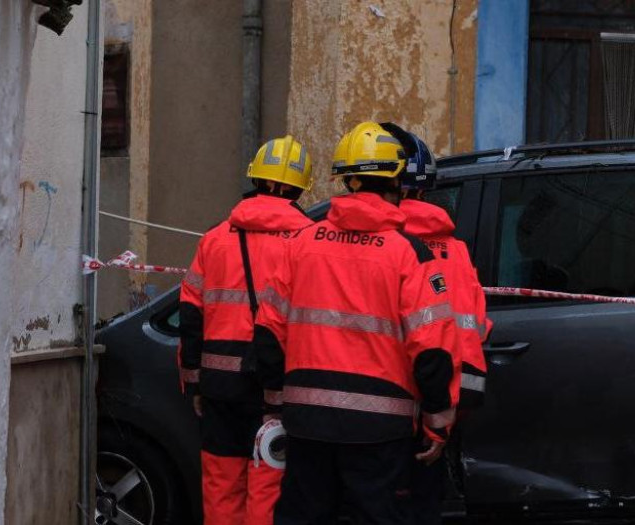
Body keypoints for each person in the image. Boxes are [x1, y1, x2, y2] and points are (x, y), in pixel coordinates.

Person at [253, 121, 460, 525]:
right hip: (379, 431)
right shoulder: (409, 255)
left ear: (347, 181)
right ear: (397, 181)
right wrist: (437, 422)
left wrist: (274, 403)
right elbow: (432, 347)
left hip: (307, 422)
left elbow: (268, 333)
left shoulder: (300, 245)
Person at [178, 135, 315, 525]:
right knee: (269, 482)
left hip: (220, 385)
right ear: (298, 186)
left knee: (221, 485)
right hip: (278, 386)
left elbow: (191, 313)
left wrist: (195, 383)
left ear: (257, 179)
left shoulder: (215, 239)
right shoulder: (307, 241)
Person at [380, 123, 490, 525]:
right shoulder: (456, 251)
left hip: (388, 404)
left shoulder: (385, 242)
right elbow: (472, 328)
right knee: (426, 505)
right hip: (446, 402)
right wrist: (444, 416)